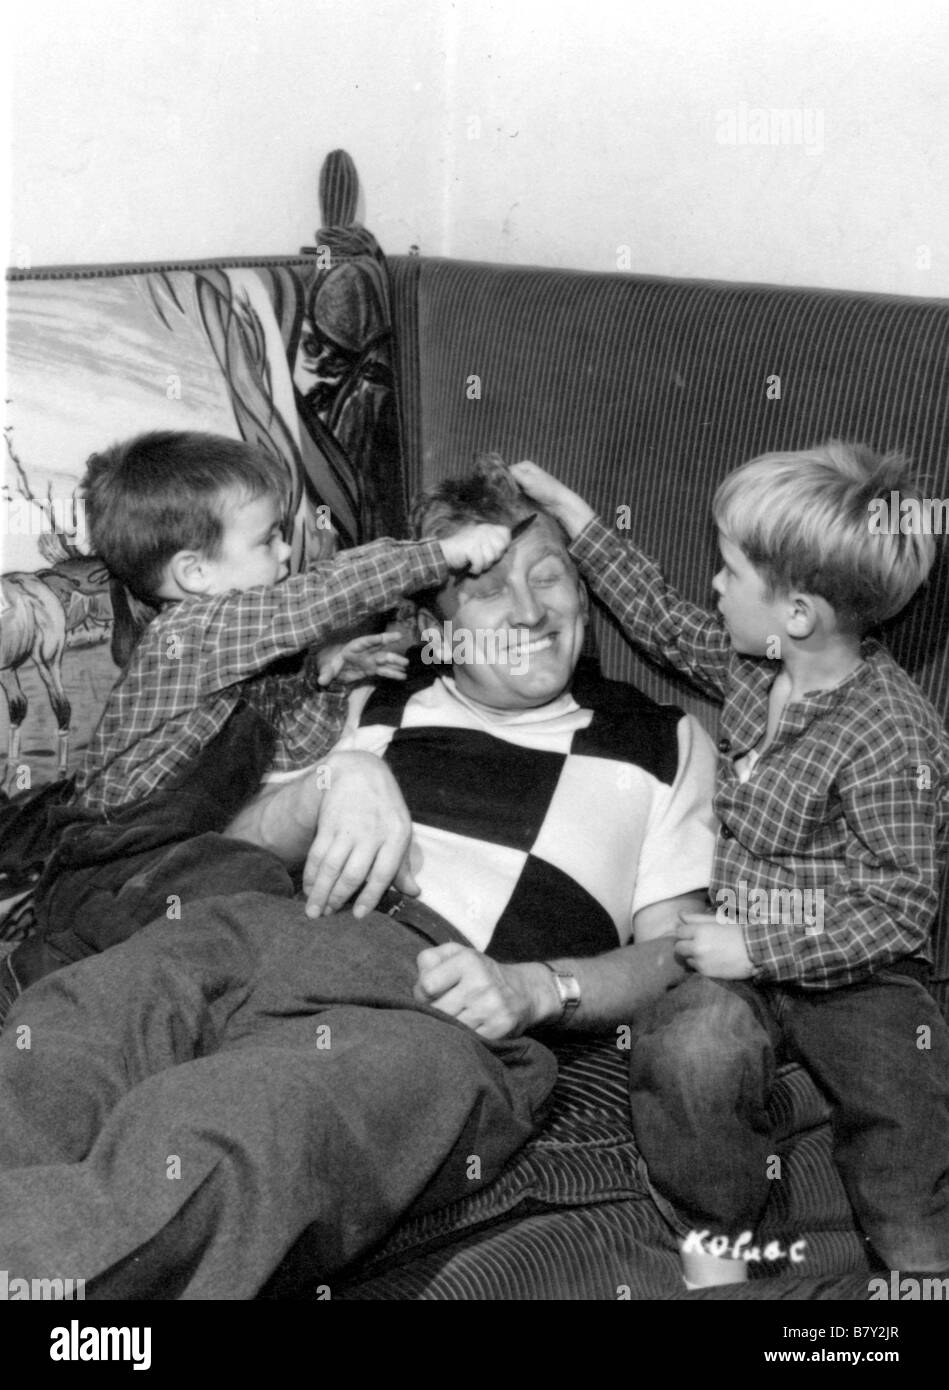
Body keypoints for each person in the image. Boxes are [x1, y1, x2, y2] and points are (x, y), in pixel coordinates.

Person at [0, 457, 718, 1298]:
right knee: (67, 1032)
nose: (528, 610)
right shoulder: (371, 694)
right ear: (437, 617)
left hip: (433, 1005)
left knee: (252, 1122)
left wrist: (538, 990)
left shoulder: (659, 739)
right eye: (486, 588)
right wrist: (334, 782)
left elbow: (680, 949)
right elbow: (225, 847)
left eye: (551, 576)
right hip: (258, 926)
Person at [513, 446, 949, 1286]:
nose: (712, 586)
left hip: (854, 961)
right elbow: (663, 622)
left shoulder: (895, 732)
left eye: (729, 572)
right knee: (688, 1049)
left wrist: (763, 949)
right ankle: (720, 1236)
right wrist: (576, 519)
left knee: (903, 1085)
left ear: (796, 612)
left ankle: (920, 1260)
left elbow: (898, 907)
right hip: (731, 947)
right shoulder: (755, 668)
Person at [0, 430, 510, 1014]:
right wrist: (440, 553)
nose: (287, 553)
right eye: (268, 540)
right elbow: (320, 594)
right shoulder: (195, 632)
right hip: (110, 860)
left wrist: (327, 676)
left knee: (242, 885)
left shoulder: (236, 652)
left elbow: (290, 744)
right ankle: (29, 984)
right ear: (195, 573)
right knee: (248, 887)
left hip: (162, 857)